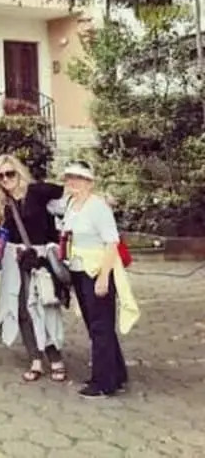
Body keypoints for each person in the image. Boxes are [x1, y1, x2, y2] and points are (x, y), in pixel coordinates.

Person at [0, 153, 69, 383]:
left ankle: (54, 356)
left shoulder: (37, 191)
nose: (6, 179)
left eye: (10, 173)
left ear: (19, 172)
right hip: (15, 258)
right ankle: (35, 357)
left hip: (40, 256)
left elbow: (69, 194)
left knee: (45, 305)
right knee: (22, 309)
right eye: (0, 176)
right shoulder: (1, 202)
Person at [61, 160, 138, 398]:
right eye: (70, 177)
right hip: (78, 269)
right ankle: (116, 373)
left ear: (90, 182)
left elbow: (112, 242)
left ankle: (103, 382)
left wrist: (104, 277)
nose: (73, 182)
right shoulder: (71, 204)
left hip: (96, 269)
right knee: (95, 324)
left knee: (100, 326)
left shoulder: (98, 208)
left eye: (79, 178)